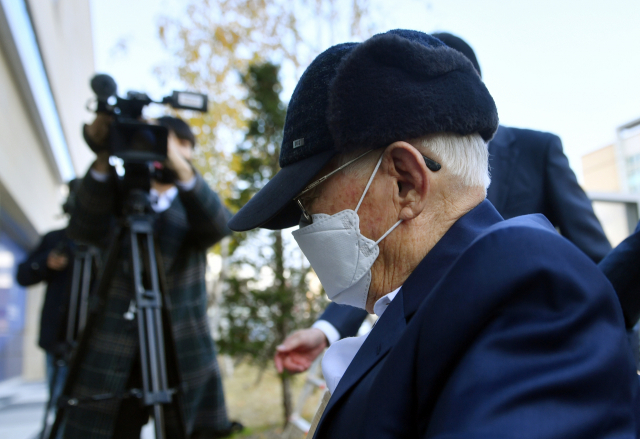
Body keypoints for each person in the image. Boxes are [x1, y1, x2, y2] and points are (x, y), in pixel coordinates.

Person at [228, 29, 640, 438]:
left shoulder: (533, 297)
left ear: (405, 183)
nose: (305, 229)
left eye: (309, 201)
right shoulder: (417, 303)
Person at [274, 31, 615, 374]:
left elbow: (595, 256)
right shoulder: (384, 169)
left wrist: (605, 343)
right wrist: (326, 330)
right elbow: (383, 255)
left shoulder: (538, 152)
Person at [62, 115, 241, 438]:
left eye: (178, 142)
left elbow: (219, 226)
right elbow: (83, 227)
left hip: (181, 349)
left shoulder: (192, 204)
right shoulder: (116, 197)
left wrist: (178, 164)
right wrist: (104, 153)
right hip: (113, 348)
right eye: (157, 138)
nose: (165, 148)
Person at [16, 214, 74, 409]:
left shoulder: (109, 238)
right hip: (58, 339)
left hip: (96, 337)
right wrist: (45, 263)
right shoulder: (56, 239)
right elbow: (22, 275)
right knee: (59, 403)